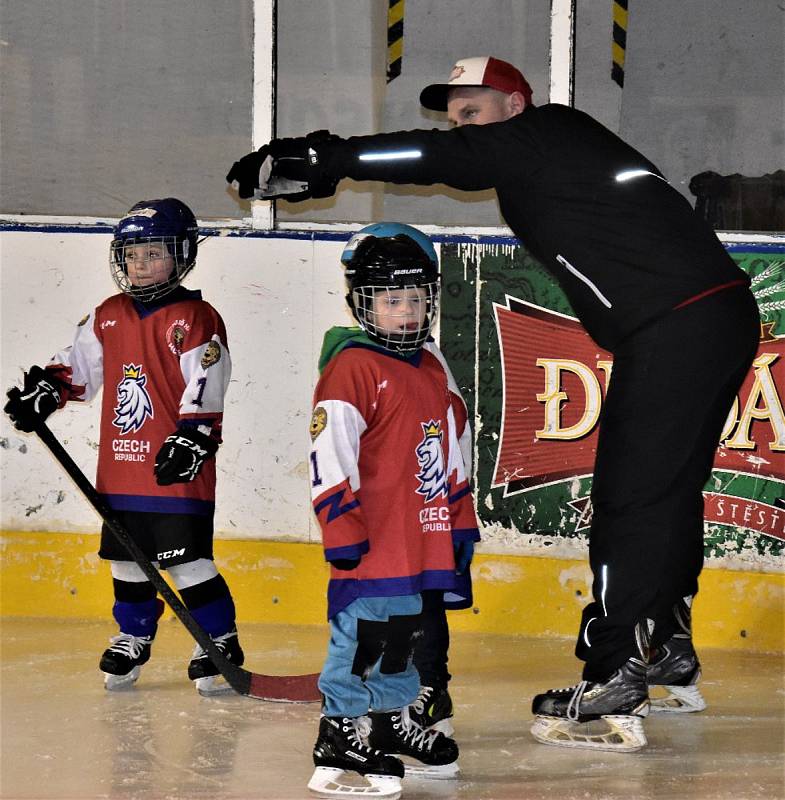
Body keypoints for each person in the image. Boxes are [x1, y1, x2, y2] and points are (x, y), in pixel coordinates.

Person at [227, 56, 761, 751]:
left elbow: (437, 156)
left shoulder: (545, 130)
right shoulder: (543, 156)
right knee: (664, 493)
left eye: (472, 110)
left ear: (514, 103)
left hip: (676, 321)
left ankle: (613, 676)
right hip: (703, 314)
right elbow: (452, 150)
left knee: (631, 498)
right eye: (454, 116)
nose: (461, 125)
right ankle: (661, 645)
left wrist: (324, 158)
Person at [4, 198, 244, 695]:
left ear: (181, 255)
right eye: (132, 255)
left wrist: (194, 436)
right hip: (120, 465)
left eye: (153, 254)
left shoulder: (197, 317)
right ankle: (133, 635)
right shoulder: (109, 314)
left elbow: (207, 381)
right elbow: (78, 368)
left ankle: (219, 639)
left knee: (187, 560)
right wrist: (47, 390)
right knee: (127, 560)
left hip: (176, 465)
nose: (140, 265)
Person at [306, 222, 481, 796]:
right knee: (362, 639)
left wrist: (459, 521)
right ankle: (341, 729)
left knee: (402, 636)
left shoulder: (430, 368)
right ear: (363, 303)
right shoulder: (352, 368)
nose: (406, 311)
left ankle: (387, 722)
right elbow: (329, 454)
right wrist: (340, 524)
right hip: (375, 539)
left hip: (420, 537)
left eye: (415, 299)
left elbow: (449, 449)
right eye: (390, 300)